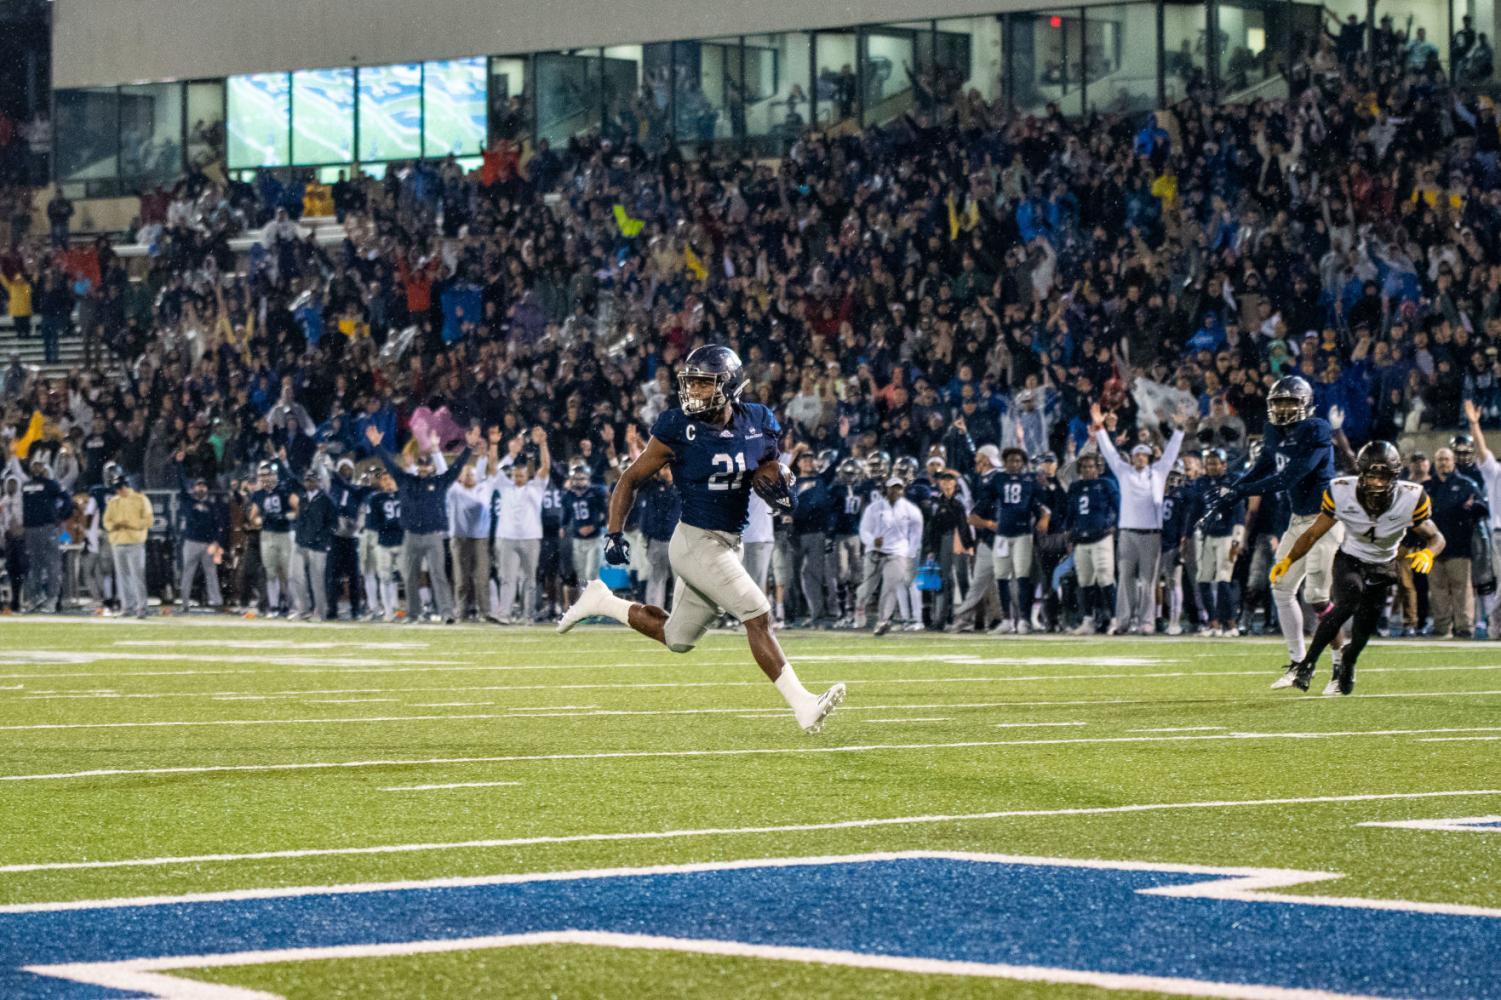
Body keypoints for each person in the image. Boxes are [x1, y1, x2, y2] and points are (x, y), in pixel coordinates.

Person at [556, 345, 845, 733]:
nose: (693, 391)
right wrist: (614, 531)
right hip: (694, 541)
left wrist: (783, 486)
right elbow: (630, 478)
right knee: (757, 614)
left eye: (704, 384)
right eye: (690, 382)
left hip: (728, 541)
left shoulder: (759, 421)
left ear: (729, 385)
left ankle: (603, 602)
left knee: (677, 638)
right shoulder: (678, 428)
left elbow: (772, 472)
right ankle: (802, 704)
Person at [1271, 442, 1443, 695]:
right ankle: (1307, 664)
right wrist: (1289, 560)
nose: (1376, 483)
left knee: (1363, 631)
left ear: (1394, 476)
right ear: (1361, 473)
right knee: (1348, 601)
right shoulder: (1342, 492)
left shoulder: (1412, 497)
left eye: (1383, 476)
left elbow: (1437, 537)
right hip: (1350, 558)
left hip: (1384, 564)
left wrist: (1429, 553)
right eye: (1371, 475)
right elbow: (1313, 534)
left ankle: (1348, 662)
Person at [1221, 377, 1340, 677]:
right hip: (1298, 519)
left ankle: (1342, 660)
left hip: (1324, 520)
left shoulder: (1317, 428)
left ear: (1305, 403)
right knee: (1281, 588)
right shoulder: (1274, 430)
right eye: (1279, 402)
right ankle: (1299, 662)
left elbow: (1289, 477)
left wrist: (1242, 491)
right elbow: (1262, 466)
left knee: (1317, 597)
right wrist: (1232, 488)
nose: (1284, 409)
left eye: (1290, 401)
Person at [1091, 402, 1188, 634]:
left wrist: (1180, 429)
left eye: (1144, 455)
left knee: (1148, 581)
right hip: (1127, 533)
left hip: (1150, 534)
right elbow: (1110, 453)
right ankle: (1123, 621)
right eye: (1137, 455)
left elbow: (1173, 451)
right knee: (1125, 579)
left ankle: (1146, 622)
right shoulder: (1124, 472)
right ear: (1133, 458)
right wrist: (1100, 428)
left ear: (1149, 457)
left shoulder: (1159, 472)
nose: (1141, 458)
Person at [369, 424, 478, 624]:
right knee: (410, 577)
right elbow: (390, 464)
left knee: (439, 576)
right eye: (420, 464)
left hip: (433, 535)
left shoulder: (439, 482)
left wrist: (469, 449)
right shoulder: (405, 480)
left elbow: (455, 469)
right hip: (410, 535)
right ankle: (413, 613)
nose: (423, 468)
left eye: (426, 465)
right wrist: (377, 446)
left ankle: (446, 613)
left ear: (431, 466)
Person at [973, 445, 1050, 634]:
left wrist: (1044, 517)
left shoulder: (1030, 481)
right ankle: (1007, 619)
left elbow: (1040, 504)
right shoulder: (998, 479)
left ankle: (1024, 619)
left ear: (1023, 463)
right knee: (1002, 577)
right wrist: (982, 519)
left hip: (1023, 533)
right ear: (1004, 462)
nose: (1014, 464)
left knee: (1023, 577)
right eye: (1010, 460)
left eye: (1017, 461)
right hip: (1002, 534)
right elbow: (984, 502)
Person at [492, 427, 552, 624]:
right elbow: (493, 467)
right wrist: (494, 445)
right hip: (507, 537)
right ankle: (504, 614)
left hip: (530, 537)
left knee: (529, 579)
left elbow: (546, 466)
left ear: (527, 475)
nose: (518, 478)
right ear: (512, 475)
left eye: (521, 475)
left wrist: (543, 444)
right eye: (516, 475)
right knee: (507, 578)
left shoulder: (536, 487)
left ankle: (528, 615)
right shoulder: (505, 486)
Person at [1426, 447, 1487, 638]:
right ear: (1435, 462)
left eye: (1446, 459)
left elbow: (1483, 508)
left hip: (1459, 545)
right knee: (1437, 590)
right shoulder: (1428, 486)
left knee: (1462, 589)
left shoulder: (1466, 484)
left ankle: (1464, 627)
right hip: (1433, 547)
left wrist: (1472, 508)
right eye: (1440, 460)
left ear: (1453, 461)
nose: (1443, 463)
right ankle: (1442, 627)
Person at [1189, 449, 1246, 637]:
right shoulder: (1201, 483)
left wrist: (1238, 538)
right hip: (1206, 535)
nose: (1211, 466)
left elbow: (1238, 512)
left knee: (1223, 579)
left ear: (1224, 464)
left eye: (1215, 463)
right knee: (1203, 578)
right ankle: (1213, 623)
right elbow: (1195, 510)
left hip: (1227, 535)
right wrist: (1187, 534)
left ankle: (1230, 623)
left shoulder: (1232, 481)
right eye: (1209, 463)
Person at [947, 444, 1003, 632]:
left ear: (986, 459)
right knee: (981, 583)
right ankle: (967, 618)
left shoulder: (998, 479)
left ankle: (1013, 619)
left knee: (1005, 583)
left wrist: (988, 523)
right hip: (988, 539)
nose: (975, 462)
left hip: (1005, 539)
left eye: (979, 458)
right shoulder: (985, 479)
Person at [859, 476, 924, 635]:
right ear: (886, 490)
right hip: (875, 552)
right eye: (892, 488)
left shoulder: (911, 509)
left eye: (899, 488)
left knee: (890, 587)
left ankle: (883, 620)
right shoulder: (874, 508)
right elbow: (864, 530)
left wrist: (910, 552)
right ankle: (858, 610)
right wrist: (873, 542)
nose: (895, 491)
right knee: (867, 588)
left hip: (897, 552)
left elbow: (916, 533)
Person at [1066, 452, 1120, 634]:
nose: (1088, 470)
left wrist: (1114, 526)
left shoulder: (1105, 484)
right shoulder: (1075, 486)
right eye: (1085, 467)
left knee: (1105, 578)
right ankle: (1088, 620)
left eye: (1091, 466)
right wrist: (1069, 534)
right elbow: (1071, 513)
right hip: (1081, 539)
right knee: (1085, 581)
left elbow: (1118, 506)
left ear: (1098, 468)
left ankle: (1114, 619)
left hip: (1101, 537)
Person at [174, 453, 227, 613]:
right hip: (191, 542)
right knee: (187, 573)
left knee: (211, 573)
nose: (201, 488)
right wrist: (179, 465)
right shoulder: (188, 501)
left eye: (203, 485)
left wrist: (216, 542)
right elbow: (181, 483)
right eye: (198, 485)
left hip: (207, 544)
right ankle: (184, 603)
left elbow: (219, 525)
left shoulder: (212, 506)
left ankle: (217, 602)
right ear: (194, 487)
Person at [16, 457, 69, 612]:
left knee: (53, 565)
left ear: (44, 468)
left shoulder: (51, 484)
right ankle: (35, 598)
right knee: (34, 566)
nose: (36, 468)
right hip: (30, 529)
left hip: (47, 528)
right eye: (34, 465)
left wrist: (59, 517)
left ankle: (52, 600)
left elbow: (67, 500)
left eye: (39, 465)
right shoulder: (25, 485)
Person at [790, 449, 835, 625]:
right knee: (792, 577)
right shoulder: (791, 482)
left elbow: (822, 506)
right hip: (796, 534)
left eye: (810, 459)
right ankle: (794, 613)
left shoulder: (821, 479)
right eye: (804, 459)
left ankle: (817, 614)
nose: (808, 462)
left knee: (813, 575)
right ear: (799, 463)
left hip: (816, 533)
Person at [925, 470, 973, 629]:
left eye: (949, 480)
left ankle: (966, 619)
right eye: (943, 481)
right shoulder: (935, 503)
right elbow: (932, 528)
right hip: (943, 541)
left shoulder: (961, 502)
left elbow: (964, 525)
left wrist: (969, 545)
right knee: (943, 581)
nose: (946, 483)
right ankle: (941, 619)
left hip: (959, 540)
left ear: (955, 483)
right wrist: (931, 548)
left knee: (962, 578)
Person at [249, 459, 297, 616]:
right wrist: (260, 521)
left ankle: (292, 606)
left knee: (287, 573)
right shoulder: (259, 494)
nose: (264, 478)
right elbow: (253, 517)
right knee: (271, 572)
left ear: (274, 475)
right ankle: (274, 607)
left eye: (267, 475)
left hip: (284, 534)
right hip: (267, 535)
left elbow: (298, 509)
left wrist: (285, 516)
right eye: (261, 476)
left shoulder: (284, 489)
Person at [103, 469, 153, 618]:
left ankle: (142, 608)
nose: (119, 491)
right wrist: (115, 526)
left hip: (135, 542)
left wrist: (131, 524)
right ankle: (127, 607)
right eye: (117, 489)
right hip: (118, 542)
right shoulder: (113, 502)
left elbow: (148, 520)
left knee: (137, 576)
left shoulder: (140, 499)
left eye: (120, 487)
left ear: (126, 486)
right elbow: (106, 521)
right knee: (122, 577)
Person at [289, 468, 336, 621]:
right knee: (296, 577)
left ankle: (320, 612)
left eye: (312, 480)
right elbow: (301, 519)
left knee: (317, 580)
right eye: (307, 480)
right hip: (301, 542)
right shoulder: (303, 498)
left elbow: (333, 524)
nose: (309, 483)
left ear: (318, 481)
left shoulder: (326, 500)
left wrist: (321, 539)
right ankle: (302, 610)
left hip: (318, 546)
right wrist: (299, 535)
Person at [361, 470, 403, 620]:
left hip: (403, 542)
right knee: (385, 577)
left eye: (391, 478)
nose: (388, 482)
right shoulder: (376, 499)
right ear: (381, 482)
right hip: (384, 542)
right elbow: (373, 524)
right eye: (384, 479)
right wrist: (393, 525)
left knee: (407, 577)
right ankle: (388, 611)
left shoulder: (404, 495)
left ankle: (406, 610)